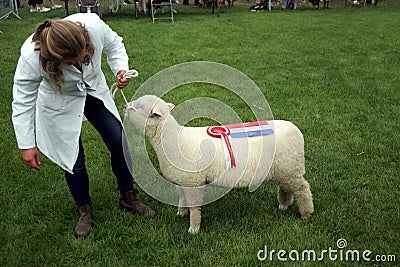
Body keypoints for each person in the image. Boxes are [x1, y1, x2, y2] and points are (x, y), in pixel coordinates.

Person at [12, 13, 157, 238]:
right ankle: (84, 210)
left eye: (84, 57)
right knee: (73, 158)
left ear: (85, 40)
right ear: (54, 59)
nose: (79, 64)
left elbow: (114, 43)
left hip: (93, 90)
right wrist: (27, 144)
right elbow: (23, 100)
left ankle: (128, 198)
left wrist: (120, 68)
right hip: (59, 101)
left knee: (120, 141)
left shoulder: (93, 25)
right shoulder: (31, 57)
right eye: (72, 62)